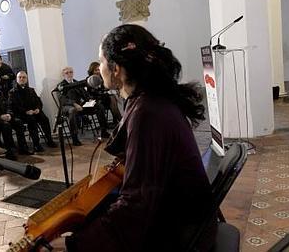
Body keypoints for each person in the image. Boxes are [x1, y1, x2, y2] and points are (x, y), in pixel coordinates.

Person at [55, 24, 216, 251]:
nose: (99, 69)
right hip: (181, 216)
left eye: (101, 61)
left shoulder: (147, 112)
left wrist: (73, 245)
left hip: (180, 233)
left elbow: (136, 208)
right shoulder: (151, 98)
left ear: (116, 69)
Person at [8, 71, 57, 151]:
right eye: (20, 77)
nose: (22, 79)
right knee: (32, 120)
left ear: (27, 79)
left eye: (24, 77)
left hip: (33, 112)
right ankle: (36, 144)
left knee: (44, 118)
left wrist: (38, 108)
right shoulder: (12, 92)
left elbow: (38, 102)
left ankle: (49, 140)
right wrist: (26, 112)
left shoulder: (31, 90)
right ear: (16, 79)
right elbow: (14, 106)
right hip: (22, 114)